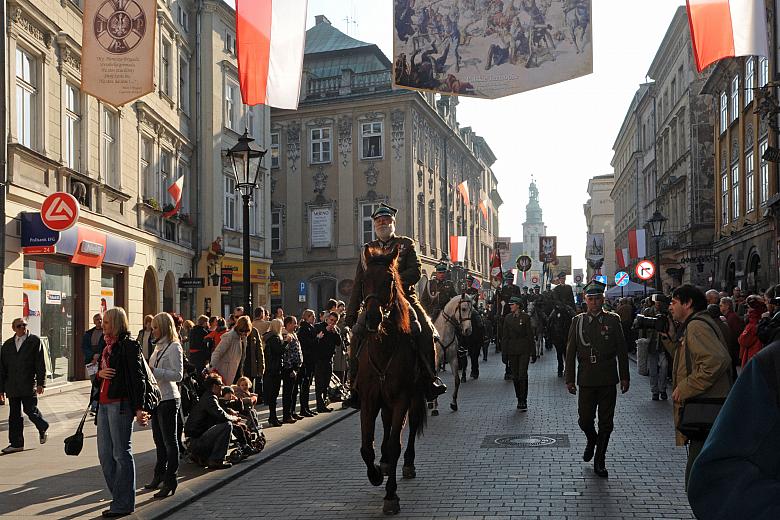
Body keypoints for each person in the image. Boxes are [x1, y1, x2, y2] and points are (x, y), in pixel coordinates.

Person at [344, 203, 445, 408]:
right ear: (374, 225)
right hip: (376, 302)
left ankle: (429, 379)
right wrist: (351, 313)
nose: (382, 223)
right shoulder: (367, 250)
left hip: (405, 298)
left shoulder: (406, 244)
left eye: (386, 220)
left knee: (426, 330)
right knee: (356, 335)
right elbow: (359, 282)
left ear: (393, 223)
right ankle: (354, 386)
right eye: (378, 221)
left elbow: (415, 271)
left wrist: (392, 282)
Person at [687, 341, 780, 519]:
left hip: (710, 404)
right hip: (712, 407)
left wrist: (688, 386)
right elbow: (718, 479)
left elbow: (717, 359)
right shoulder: (772, 365)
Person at [662, 284, 732, 490]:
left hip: (706, 408)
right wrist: (668, 338)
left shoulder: (696, 326)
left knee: (696, 479)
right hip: (705, 408)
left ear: (688, 303)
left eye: (674, 302)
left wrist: (685, 387)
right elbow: (687, 361)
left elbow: (716, 361)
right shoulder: (696, 324)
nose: (670, 307)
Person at [565, 280, 629, 478]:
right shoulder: (578, 321)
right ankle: (592, 439)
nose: (594, 302)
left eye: (597, 299)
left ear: (603, 300)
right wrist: (569, 379)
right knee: (585, 420)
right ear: (585, 300)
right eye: (590, 299)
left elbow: (622, 350)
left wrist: (625, 377)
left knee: (606, 422)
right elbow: (570, 351)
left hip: (607, 377)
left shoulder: (613, 320)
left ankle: (600, 460)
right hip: (586, 377)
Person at [94, 307, 149, 518]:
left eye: (107, 322)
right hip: (103, 403)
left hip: (120, 404)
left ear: (117, 323)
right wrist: (99, 373)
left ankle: (123, 503)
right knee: (105, 455)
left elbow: (138, 378)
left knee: (120, 453)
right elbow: (98, 376)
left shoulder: (129, 345)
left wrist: (139, 408)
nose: (103, 325)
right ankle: (119, 498)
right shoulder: (106, 345)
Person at [144, 313, 184, 498]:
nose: (153, 331)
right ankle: (159, 474)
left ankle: (171, 479)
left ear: (164, 328)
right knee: (159, 440)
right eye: (152, 328)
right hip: (157, 399)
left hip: (169, 398)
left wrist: (155, 371)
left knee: (170, 441)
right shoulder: (158, 347)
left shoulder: (174, 347)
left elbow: (178, 375)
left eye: (155, 328)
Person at [0, 318, 49, 454]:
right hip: (12, 386)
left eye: (24, 325)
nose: (22, 327)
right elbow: (2, 368)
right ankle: (16, 444)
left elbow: (40, 363)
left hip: (28, 384)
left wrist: (41, 383)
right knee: (14, 415)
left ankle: (43, 425)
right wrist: (1, 389)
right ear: (13, 328)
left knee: (30, 410)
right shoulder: (7, 345)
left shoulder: (34, 341)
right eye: (19, 326)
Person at [183, 375, 236, 469]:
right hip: (195, 442)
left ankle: (204, 457)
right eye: (221, 385)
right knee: (227, 425)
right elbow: (221, 415)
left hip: (194, 440)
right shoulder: (210, 398)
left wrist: (228, 411)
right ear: (215, 386)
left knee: (223, 425)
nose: (222, 387)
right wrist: (234, 418)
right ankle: (216, 460)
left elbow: (217, 412)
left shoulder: (207, 396)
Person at [501, 297, 535, 410]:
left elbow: (530, 335)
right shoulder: (508, 318)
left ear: (518, 305)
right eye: (510, 304)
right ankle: (519, 398)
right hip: (512, 350)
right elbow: (505, 337)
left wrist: (533, 351)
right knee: (515, 376)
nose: (510, 306)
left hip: (524, 349)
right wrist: (504, 353)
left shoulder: (525, 317)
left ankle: (523, 399)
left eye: (512, 304)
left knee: (522, 375)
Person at [315, 311, 343, 412]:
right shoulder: (319, 326)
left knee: (326, 383)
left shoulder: (335, 330)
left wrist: (335, 333)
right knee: (320, 383)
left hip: (329, 359)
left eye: (335, 321)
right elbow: (315, 340)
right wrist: (325, 330)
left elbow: (339, 343)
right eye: (331, 320)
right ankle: (320, 405)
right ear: (327, 319)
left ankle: (324, 403)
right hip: (319, 359)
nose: (332, 323)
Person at [211, 316, 250, 384]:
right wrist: (211, 368)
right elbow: (217, 353)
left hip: (237, 371)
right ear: (238, 327)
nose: (244, 333)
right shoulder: (229, 336)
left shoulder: (243, 338)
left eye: (246, 331)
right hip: (226, 371)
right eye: (241, 330)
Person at [263, 319, 286, 427]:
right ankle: (273, 417)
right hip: (274, 369)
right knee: (273, 395)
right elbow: (280, 351)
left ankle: (273, 417)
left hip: (270, 369)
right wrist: (286, 342)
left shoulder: (268, 337)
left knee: (273, 395)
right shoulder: (274, 339)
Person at [297, 309, 318, 417]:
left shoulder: (310, 328)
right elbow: (306, 343)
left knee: (307, 385)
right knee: (304, 385)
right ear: (307, 317)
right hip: (306, 360)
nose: (314, 318)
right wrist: (317, 338)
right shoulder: (304, 329)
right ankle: (303, 408)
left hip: (311, 360)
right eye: (312, 316)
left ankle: (306, 407)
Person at [281, 316, 303, 423]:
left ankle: (293, 412)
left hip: (296, 367)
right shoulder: (286, 335)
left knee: (294, 392)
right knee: (288, 393)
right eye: (294, 323)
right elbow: (287, 354)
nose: (296, 325)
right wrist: (290, 369)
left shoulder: (293, 334)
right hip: (289, 368)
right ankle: (287, 415)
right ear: (288, 324)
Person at [738, 295, 766, 368]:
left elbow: (743, 340)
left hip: (752, 355)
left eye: (748, 307)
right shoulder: (763, 319)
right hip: (760, 355)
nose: (747, 310)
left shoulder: (752, 324)